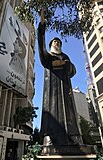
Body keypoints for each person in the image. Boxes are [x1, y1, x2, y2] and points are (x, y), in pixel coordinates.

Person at [38, 9, 83, 146]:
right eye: (54, 42)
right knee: (51, 111)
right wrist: (42, 23)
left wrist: (66, 64)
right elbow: (41, 44)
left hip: (65, 88)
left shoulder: (65, 57)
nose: (56, 43)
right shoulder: (47, 57)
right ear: (51, 45)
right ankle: (49, 137)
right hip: (51, 90)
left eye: (58, 42)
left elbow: (73, 70)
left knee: (69, 111)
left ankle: (74, 136)